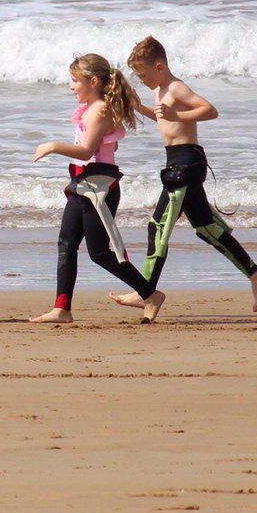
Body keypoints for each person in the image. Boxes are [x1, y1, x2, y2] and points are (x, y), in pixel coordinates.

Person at [108, 36, 257, 314]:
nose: (143, 80)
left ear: (159, 66)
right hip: (179, 162)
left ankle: (145, 290)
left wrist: (177, 116)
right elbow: (165, 119)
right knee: (207, 228)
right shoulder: (160, 90)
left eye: (144, 75)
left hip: (185, 164)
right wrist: (140, 107)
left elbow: (210, 110)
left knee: (157, 227)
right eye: (138, 76)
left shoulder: (176, 88)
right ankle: (255, 273)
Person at [29, 53, 166, 325]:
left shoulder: (101, 110)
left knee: (100, 252)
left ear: (93, 81)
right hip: (83, 185)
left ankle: (150, 295)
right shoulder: (93, 110)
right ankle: (62, 309)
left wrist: (53, 146)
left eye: (75, 81)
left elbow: (87, 150)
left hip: (99, 190)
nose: (71, 87)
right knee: (66, 245)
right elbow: (109, 147)